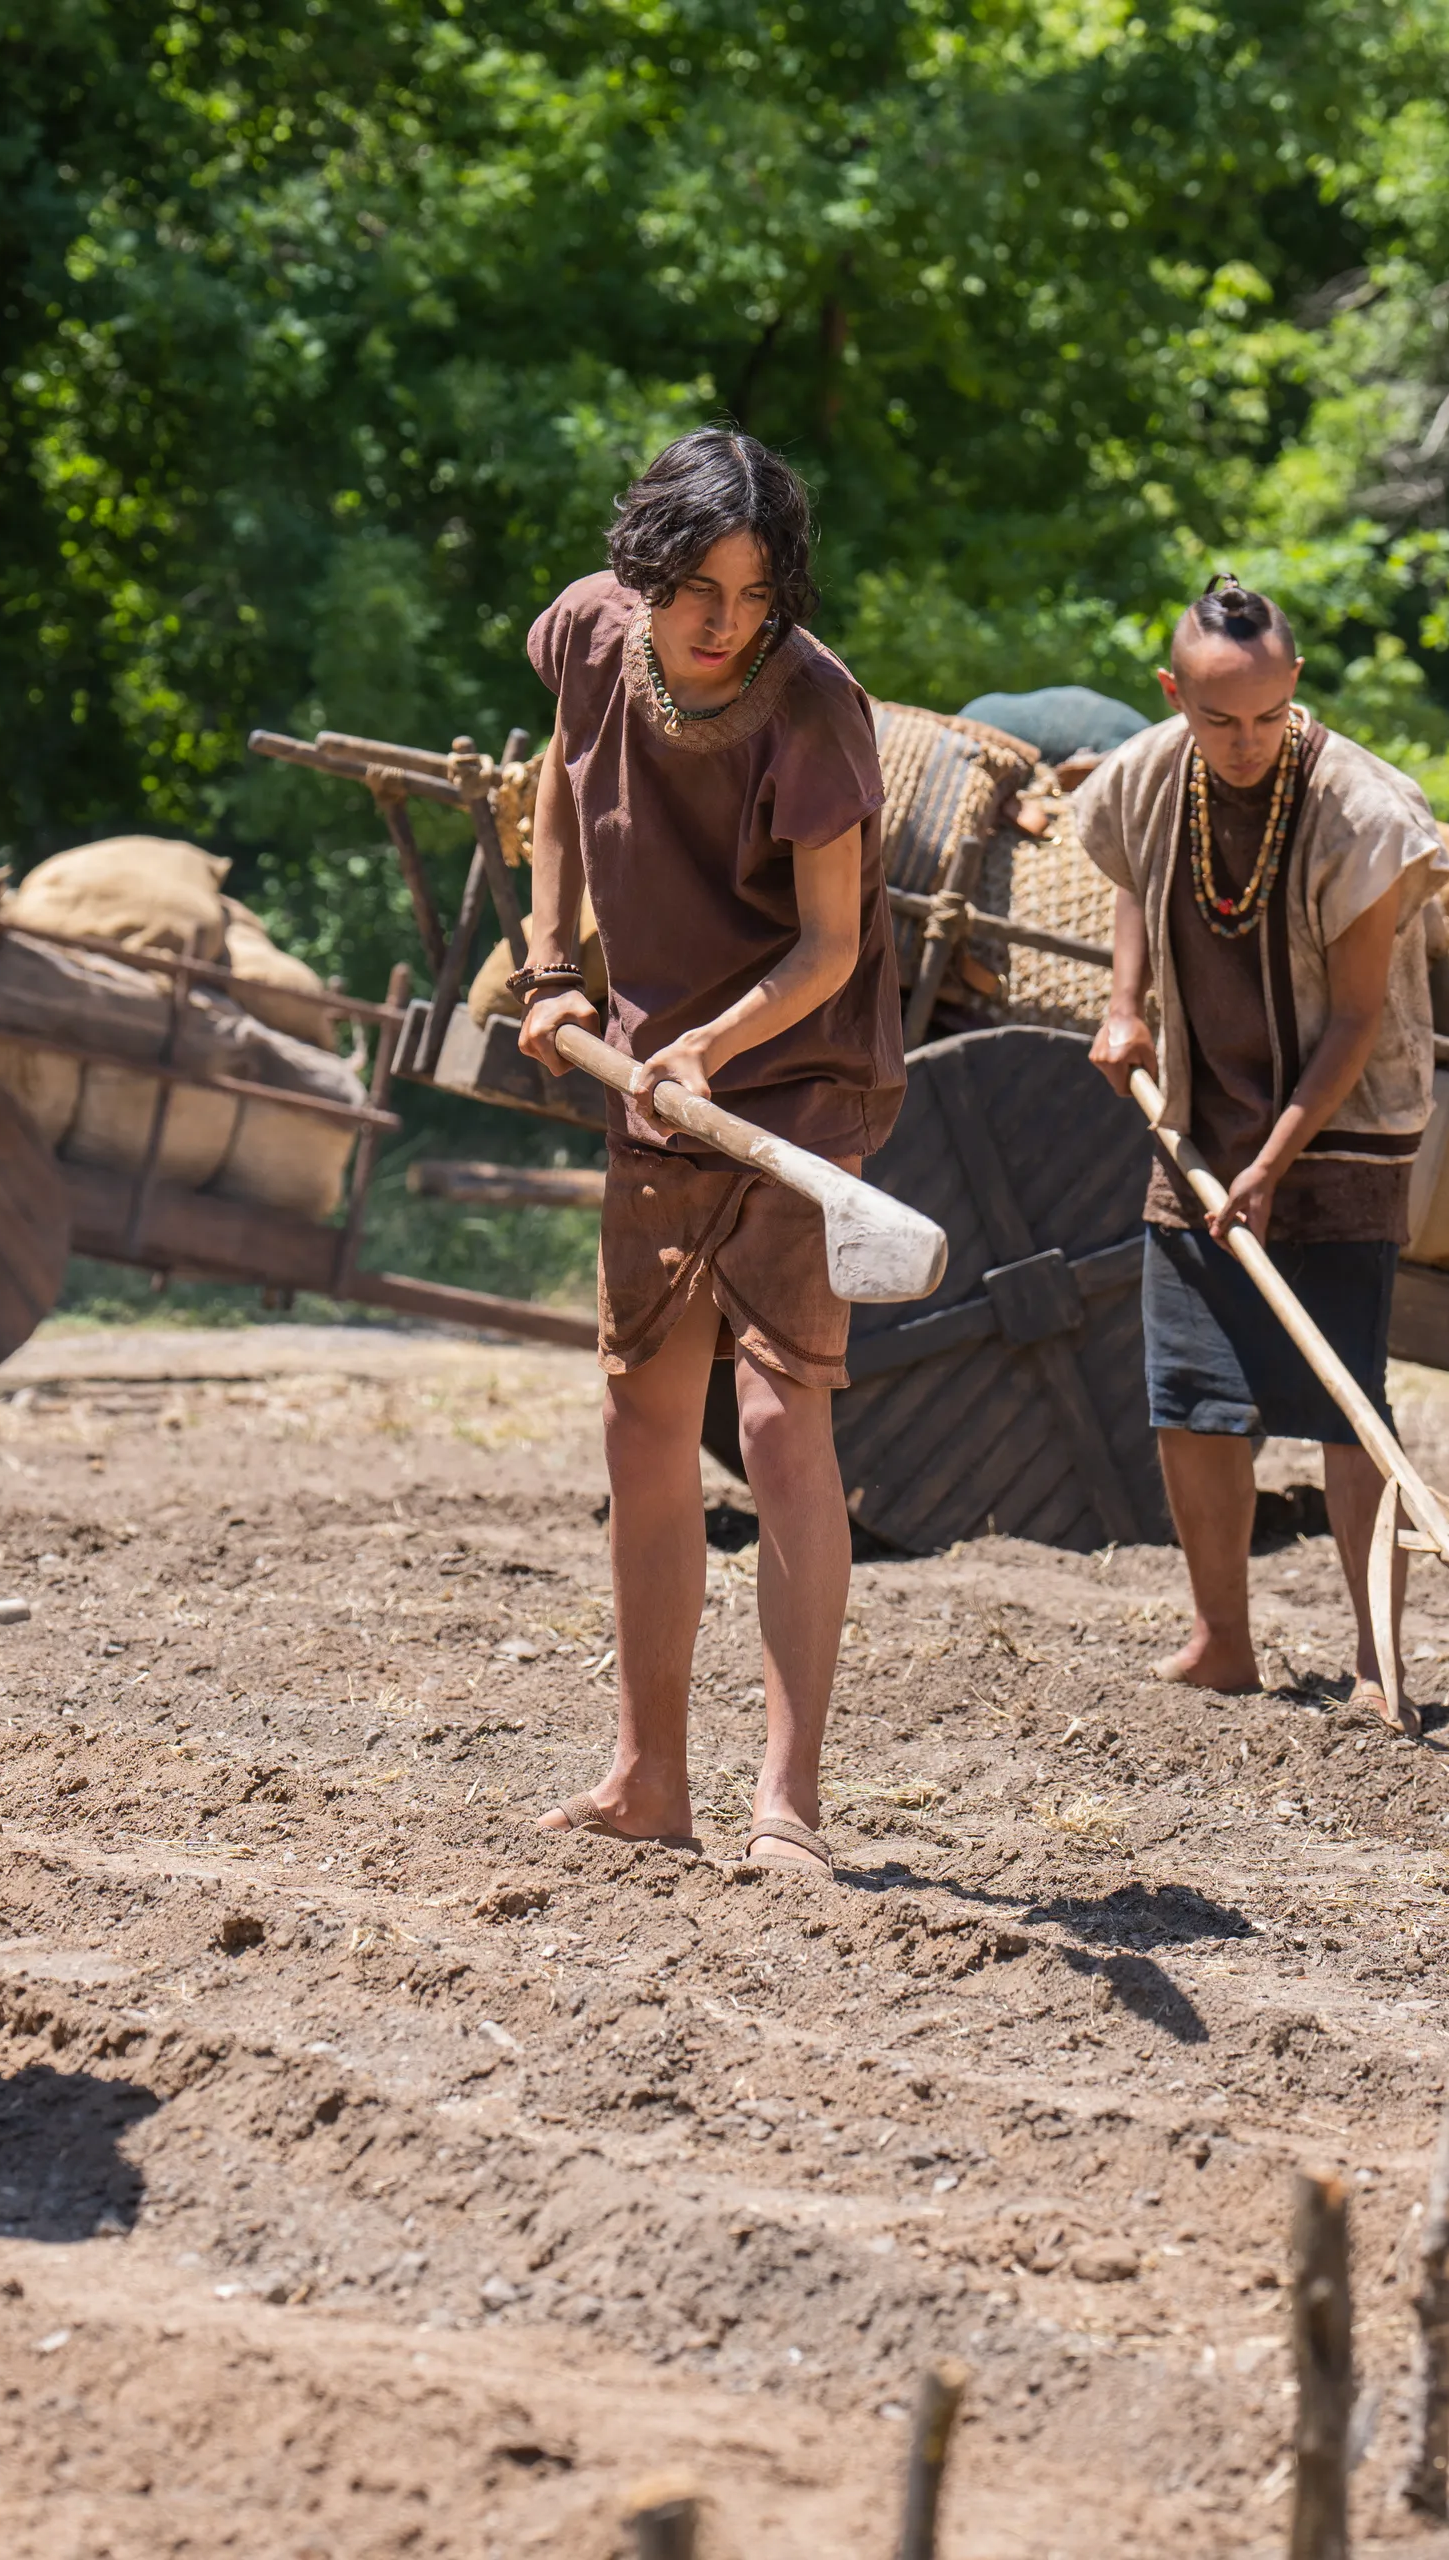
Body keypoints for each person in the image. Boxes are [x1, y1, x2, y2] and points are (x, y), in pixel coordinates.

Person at [512, 427, 894, 1878]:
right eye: (697, 593)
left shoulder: (812, 709)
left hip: (796, 1077)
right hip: (654, 1071)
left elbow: (831, 946)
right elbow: (557, 772)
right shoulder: (592, 636)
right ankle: (647, 1775)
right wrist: (553, 966)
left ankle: (785, 1800)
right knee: (641, 1419)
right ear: (645, 571)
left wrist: (706, 1054)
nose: (724, 625)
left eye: (753, 594)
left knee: (786, 1420)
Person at [1073, 576, 1449, 1732]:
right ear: (1173, 692)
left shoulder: (1363, 812)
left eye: (1264, 718)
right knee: (1192, 1397)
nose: (1241, 745)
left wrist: (1279, 1157)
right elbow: (1139, 875)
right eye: (1214, 719)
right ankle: (1222, 1639)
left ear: (1294, 688)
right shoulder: (1145, 774)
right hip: (1197, 1114)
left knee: (1348, 1408)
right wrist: (1126, 1004)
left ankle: (1380, 1662)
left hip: (1345, 1122)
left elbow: (1356, 1021)